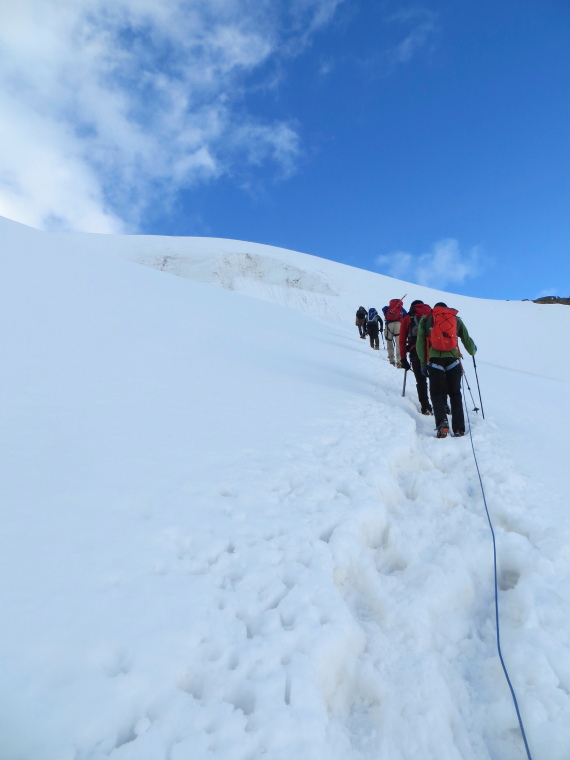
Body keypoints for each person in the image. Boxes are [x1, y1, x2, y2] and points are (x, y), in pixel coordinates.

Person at [416, 302, 477, 438]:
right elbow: (466, 339)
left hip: (435, 361)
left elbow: (420, 342)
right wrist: (472, 350)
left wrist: (423, 363)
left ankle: (442, 423)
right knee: (455, 394)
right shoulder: (455, 319)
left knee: (437, 394)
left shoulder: (426, 319)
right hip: (453, 360)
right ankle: (458, 429)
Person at [399, 300, 433, 415]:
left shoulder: (407, 318)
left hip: (415, 351)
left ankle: (426, 406)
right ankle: (443, 405)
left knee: (421, 380)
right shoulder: (430, 315)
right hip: (432, 351)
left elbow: (402, 340)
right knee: (436, 378)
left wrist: (403, 358)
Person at [382, 298, 407, 367]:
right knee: (399, 343)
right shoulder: (401, 309)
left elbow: (383, 309)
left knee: (389, 342)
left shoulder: (387, 308)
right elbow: (406, 315)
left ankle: (391, 360)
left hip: (389, 325)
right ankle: (399, 361)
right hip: (398, 325)